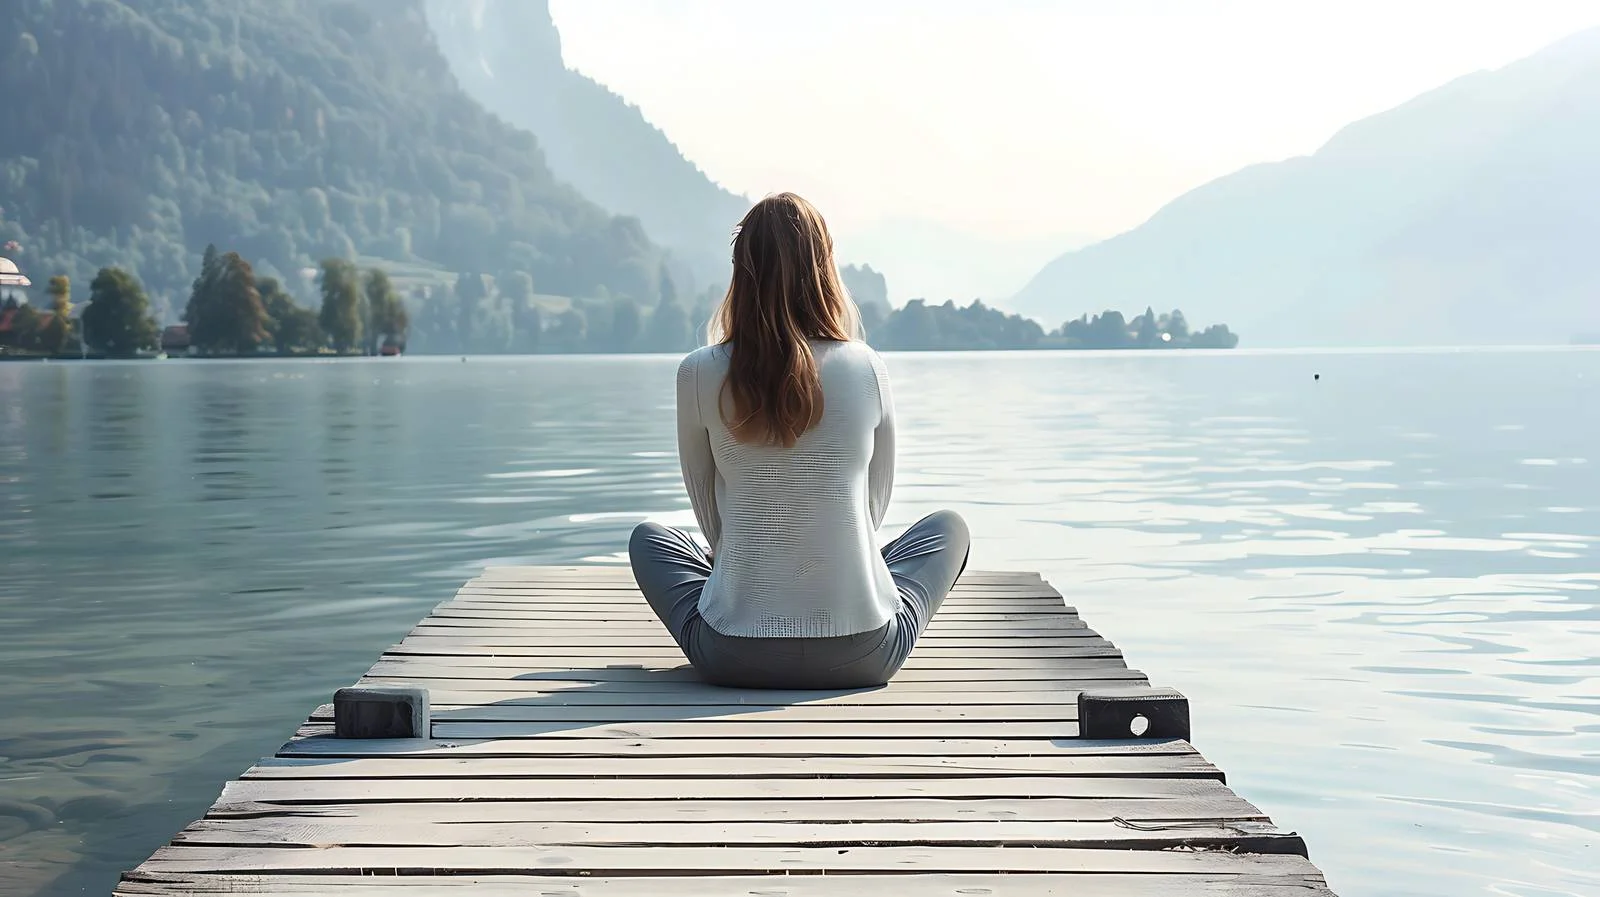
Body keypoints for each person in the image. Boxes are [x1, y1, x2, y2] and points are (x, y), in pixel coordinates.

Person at [628, 192, 970, 690]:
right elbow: (874, 506)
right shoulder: (867, 366)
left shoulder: (697, 371)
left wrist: (750, 567)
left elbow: (708, 513)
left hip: (732, 655)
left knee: (650, 539)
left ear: (740, 273)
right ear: (825, 269)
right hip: (865, 654)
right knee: (949, 529)